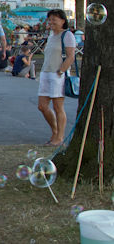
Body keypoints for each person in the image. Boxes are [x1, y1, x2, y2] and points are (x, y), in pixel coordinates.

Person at [38, 9, 75, 146]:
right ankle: (54, 131)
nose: (52, 22)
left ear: (63, 21)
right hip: (45, 72)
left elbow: (71, 55)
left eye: (55, 19)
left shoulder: (67, 35)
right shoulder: (51, 35)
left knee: (58, 106)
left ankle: (59, 137)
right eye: (50, 19)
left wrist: (61, 70)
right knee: (42, 106)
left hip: (57, 74)